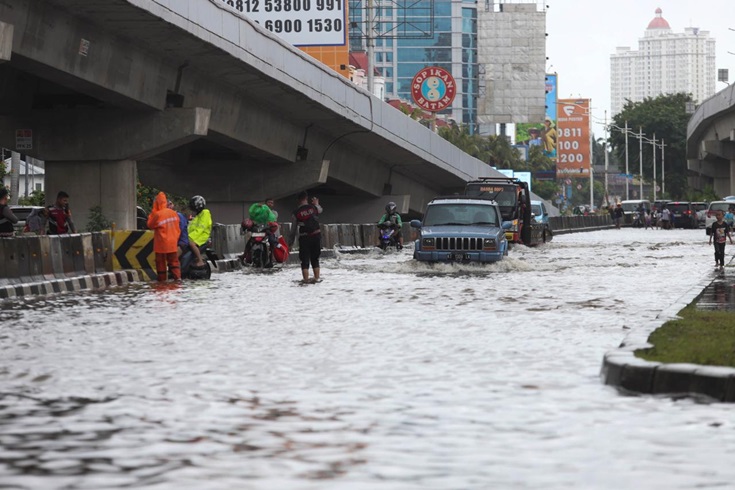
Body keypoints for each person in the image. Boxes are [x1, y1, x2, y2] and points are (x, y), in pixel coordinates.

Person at [147, 192, 181, 281]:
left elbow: (150, 225)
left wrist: (153, 211)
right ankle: (177, 279)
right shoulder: (174, 213)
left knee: (161, 263)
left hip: (161, 244)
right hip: (173, 243)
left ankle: (162, 282)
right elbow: (178, 228)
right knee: (174, 263)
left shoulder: (157, 214)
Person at [290, 191, 322, 283]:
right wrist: (317, 204)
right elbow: (320, 210)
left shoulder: (296, 212)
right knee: (315, 259)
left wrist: (290, 243)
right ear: (306, 198)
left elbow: (293, 229)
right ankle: (317, 278)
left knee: (304, 260)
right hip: (316, 235)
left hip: (305, 238)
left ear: (298, 200)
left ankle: (306, 280)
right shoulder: (314, 208)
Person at [180, 195, 212, 272]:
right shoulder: (197, 216)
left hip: (202, 236)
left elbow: (201, 228)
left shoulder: (205, 213)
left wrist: (189, 237)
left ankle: (200, 260)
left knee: (191, 244)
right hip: (195, 235)